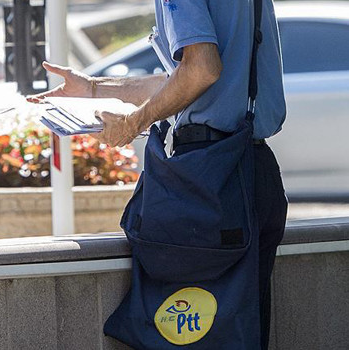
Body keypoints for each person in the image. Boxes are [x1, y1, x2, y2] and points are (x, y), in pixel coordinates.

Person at [30, 0, 287, 348]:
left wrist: (132, 123)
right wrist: (93, 87)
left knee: (190, 335)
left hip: (210, 175)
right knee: (239, 333)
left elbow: (201, 70)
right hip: (255, 169)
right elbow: (188, 81)